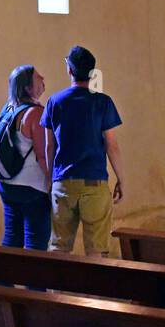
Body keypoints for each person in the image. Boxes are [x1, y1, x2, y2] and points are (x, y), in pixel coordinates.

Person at [42, 45, 125, 255]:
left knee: (59, 248)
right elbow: (111, 145)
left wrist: (49, 180)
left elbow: (49, 146)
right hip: (94, 182)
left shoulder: (54, 101)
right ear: (92, 73)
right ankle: (95, 288)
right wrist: (121, 178)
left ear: (69, 70)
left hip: (64, 182)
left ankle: (56, 289)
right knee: (97, 250)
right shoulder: (103, 102)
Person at [0, 65, 51, 250]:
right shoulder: (36, 113)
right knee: (36, 244)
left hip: (7, 183)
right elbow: (43, 154)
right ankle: (33, 279)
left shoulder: (9, 108)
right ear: (28, 87)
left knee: (12, 239)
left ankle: (2, 279)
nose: (43, 77)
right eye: (38, 77)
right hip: (32, 187)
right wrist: (52, 183)